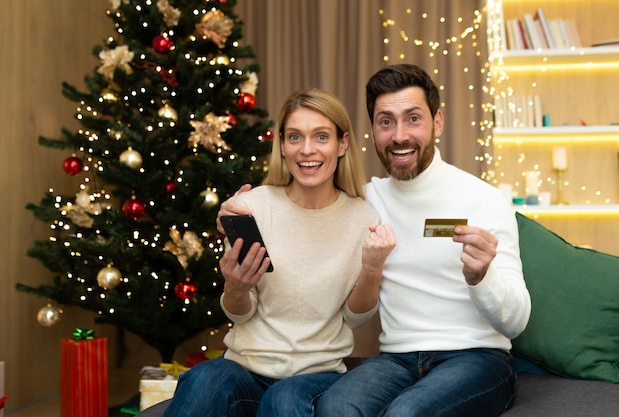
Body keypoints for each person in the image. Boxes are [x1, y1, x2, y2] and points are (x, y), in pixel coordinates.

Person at [218, 64, 531, 417]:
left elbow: (516, 322)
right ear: (372, 131)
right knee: (334, 407)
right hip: (397, 358)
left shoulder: (484, 199)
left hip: (477, 356)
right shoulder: (366, 203)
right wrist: (228, 218)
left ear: (437, 123)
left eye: (413, 118)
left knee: (405, 414)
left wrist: (482, 278)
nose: (399, 135)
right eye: (386, 121)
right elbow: (304, 213)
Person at [163, 88, 395, 417]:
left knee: (284, 400)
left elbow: (354, 318)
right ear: (282, 146)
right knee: (204, 380)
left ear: (342, 144)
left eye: (321, 137)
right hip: (245, 369)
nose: (307, 150)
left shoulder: (363, 218)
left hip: (318, 376)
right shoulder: (252, 208)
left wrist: (372, 272)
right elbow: (239, 314)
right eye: (295, 137)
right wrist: (236, 288)